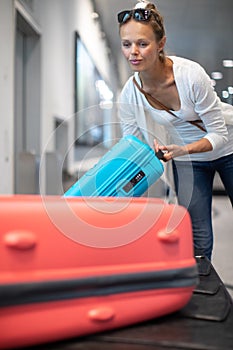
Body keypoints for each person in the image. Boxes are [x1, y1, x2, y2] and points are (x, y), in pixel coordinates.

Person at [117, 0, 233, 260]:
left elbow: (219, 134)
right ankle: (202, 290)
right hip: (189, 161)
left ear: (160, 44)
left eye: (142, 44)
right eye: (127, 44)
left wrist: (184, 148)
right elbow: (131, 142)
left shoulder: (191, 76)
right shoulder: (130, 93)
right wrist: (149, 153)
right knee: (198, 235)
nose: (133, 52)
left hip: (228, 149)